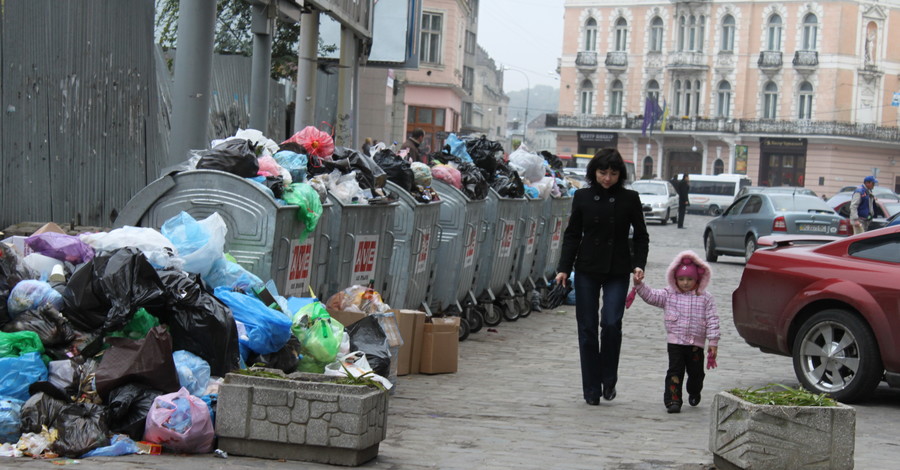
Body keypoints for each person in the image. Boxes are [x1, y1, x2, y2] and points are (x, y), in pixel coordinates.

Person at [554, 148, 650, 406]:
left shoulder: (630, 198)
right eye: (602, 172)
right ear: (593, 172)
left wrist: (639, 264)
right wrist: (564, 267)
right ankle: (591, 389)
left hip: (618, 270)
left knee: (610, 323)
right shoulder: (582, 197)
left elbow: (640, 235)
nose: (607, 178)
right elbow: (573, 234)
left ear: (621, 174)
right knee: (586, 328)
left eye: (613, 173)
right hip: (587, 268)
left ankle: (609, 378)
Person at [632, 250, 719, 414]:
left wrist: (713, 342)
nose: (685, 283)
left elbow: (713, 319)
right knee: (675, 371)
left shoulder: (705, 297)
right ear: (675, 279)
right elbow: (652, 296)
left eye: (689, 279)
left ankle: (694, 390)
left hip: (695, 344)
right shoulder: (669, 294)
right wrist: (639, 285)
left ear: (697, 279)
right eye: (681, 279)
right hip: (676, 343)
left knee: (696, 372)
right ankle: (673, 399)